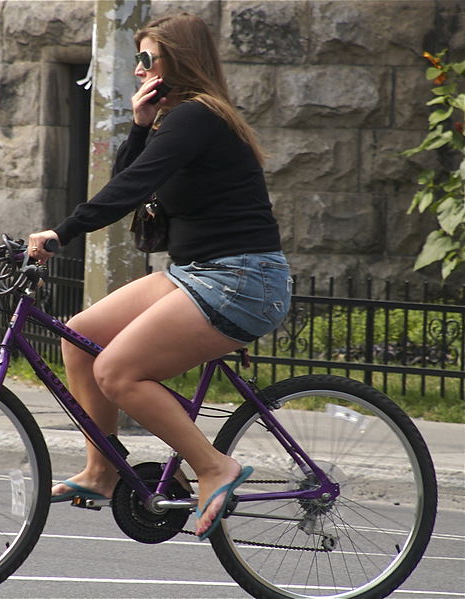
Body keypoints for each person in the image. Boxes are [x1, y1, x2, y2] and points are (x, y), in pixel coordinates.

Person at [27, 13, 291, 540]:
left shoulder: (198, 117)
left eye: (148, 59)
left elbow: (132, 187)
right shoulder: (177, 121)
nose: (140, 69)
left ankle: (215, 466)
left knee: (118, 372)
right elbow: (133, 179)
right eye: (139, 59)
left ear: (177, 62)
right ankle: (102, 471)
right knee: (81, 339)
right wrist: (139, 125)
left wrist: (62, 232)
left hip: (239, 279)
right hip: (197, 273)